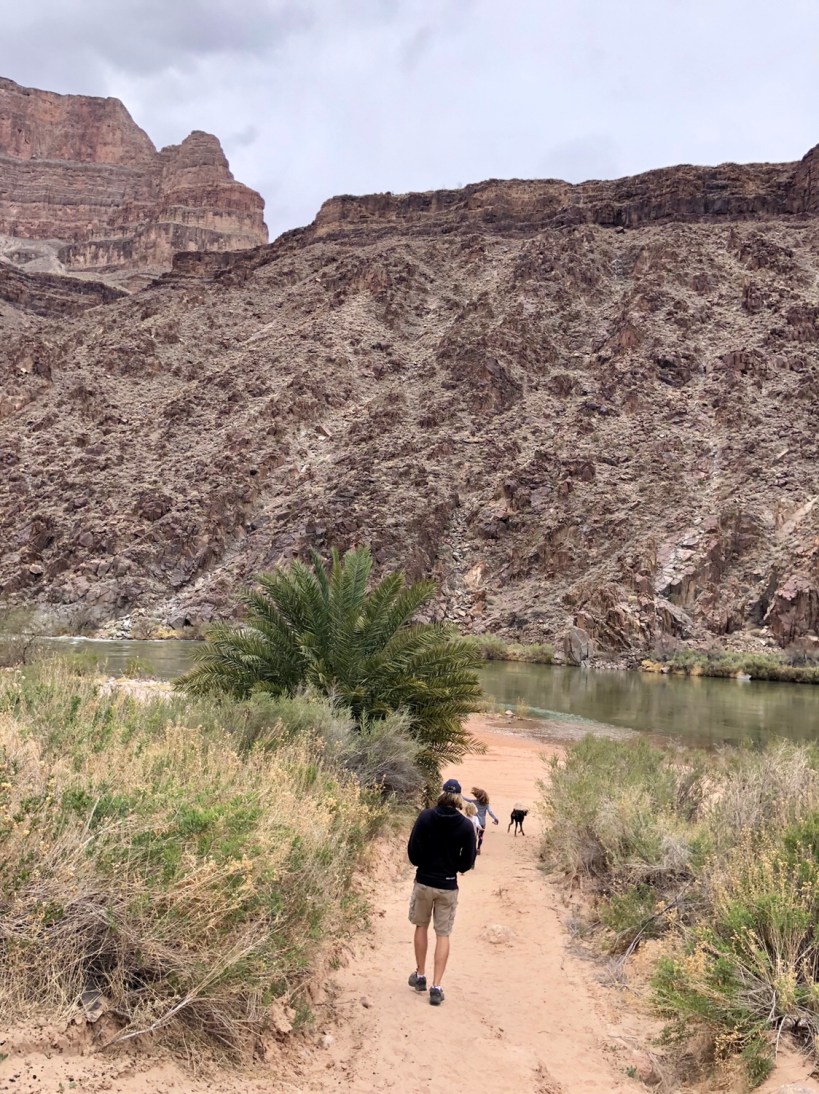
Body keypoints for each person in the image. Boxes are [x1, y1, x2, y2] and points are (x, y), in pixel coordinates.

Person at [406, 777, 476, 1006]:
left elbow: (413, 850)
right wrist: (453, 867)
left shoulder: (426, 817)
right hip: (447, 884)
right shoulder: (465, 825)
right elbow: (468, 861)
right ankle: (436, 987)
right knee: (443, 934)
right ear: (458, 798)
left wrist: (423, 863)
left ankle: (420, 975)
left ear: (442, 794)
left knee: (421, 926)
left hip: (425, 880)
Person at [465, 787, 499, 853]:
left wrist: (459, 794)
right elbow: (490, 812)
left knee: (474, 835)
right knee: (480, 836)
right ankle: (478, 848)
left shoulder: (474, 802)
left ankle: (473, 848)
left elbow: (466, 799)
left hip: (475, 822)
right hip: (482, 823)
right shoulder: (486, 804)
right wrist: (495, 818)